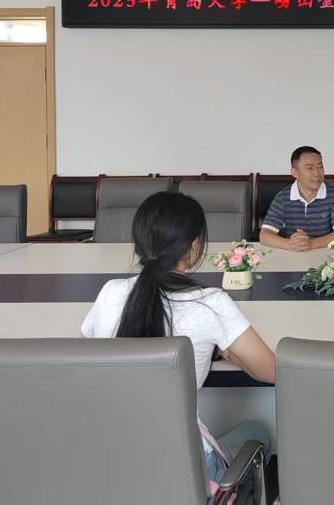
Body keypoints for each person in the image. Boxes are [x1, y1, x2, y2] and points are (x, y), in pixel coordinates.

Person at [81, 192, 276, 498]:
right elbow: (270, 370)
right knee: (259, 431)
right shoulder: (210, 303)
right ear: (194, 246)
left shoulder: (110, 293)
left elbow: (92, 350)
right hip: (187, 473)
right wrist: (226, 349)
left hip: (114, 465)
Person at [259, 146, 334, 252]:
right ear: (295, 172)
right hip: (295, 254)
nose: (317, 173)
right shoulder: (283, 198)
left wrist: (311, 243)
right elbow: (264, 235)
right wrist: (290, 244)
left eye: (320, 167)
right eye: (310, 168)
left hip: (326, 254)